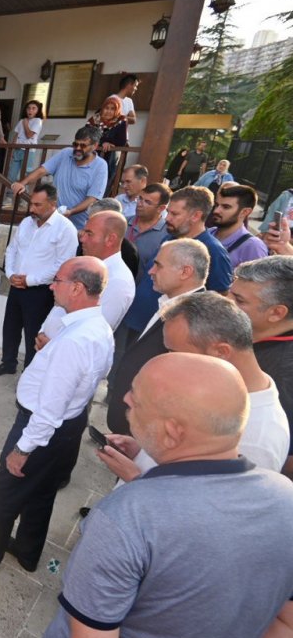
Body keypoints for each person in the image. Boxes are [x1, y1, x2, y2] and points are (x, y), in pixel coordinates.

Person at [39, 352, 293, 638]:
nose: (126, 399)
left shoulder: (125, 516)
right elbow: (286, 622)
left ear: (172, 431)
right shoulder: (285, 498)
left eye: (138, 396)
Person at [0, 257, 113, 574]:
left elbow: (50, 407)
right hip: (70, 425)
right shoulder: (98, 328)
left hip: (44, 426)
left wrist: (23, 449)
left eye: (57, 280)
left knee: (4, 489)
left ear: (76, 288)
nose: (51, 286)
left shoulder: (75, 340)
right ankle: (27, 549)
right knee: (42, 491)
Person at [102, 293, 289, 480]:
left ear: (220, 352)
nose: (168, 359)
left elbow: (211, 506)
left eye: (173, 351)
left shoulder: (260, 439)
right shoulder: (205, 385)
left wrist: (137, 479)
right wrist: (143, 452)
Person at [107, 239, 208, 435]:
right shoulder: (169, 302)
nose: (151, 271)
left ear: (185, 272)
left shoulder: (193, 320)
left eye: (158, 265)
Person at [0, 184, 78, 376]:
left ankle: (30, 374)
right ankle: (8, 363)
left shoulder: (65, 229)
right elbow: (12, 249)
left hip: (40, 291)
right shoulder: (27, 223)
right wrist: (10, 273)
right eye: (31, 204)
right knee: (10, 327)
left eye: (37, 205)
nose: (31, 209)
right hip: (16, 285)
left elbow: (63, 265)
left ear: (52, 204)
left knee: (33, 334)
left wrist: (31, 280)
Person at [120, 186, 232, 343]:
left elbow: (219, 299)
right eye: (169, 212)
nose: (167, 218)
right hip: (137, 323)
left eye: (174, 214)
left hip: (163, 335)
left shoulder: (213, 250)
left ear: (196, 216)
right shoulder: (170, 238)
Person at [231, 255, 293, 477]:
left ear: (276, 313)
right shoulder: (246, 338)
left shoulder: (285, 374)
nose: (226, 303)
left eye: (239, 300)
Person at [39, 210, 135, 341]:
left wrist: (52, 346)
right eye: (83, 232)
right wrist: (43, 331)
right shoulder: (86, 264)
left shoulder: (119, 281)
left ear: (110, 239)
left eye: (89, 234)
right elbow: (59, 306)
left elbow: (93, 333)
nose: (82, 238)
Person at [11, 126, 107, 230]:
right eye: (75, 144)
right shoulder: (66, 153)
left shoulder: (101, 166)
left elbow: (92, 199)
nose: (78, 148)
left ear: (95, 146)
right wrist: (22, 183)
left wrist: (71, 212)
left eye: (83, 145)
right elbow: (42, 171)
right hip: (52, 220)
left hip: (77, 227)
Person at [210, 183, 268, 266]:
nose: (216, 211)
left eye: (226, 207)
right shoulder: (208, 233)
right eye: (216, 205)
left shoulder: (253, 246)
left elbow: (260, 278)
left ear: (245, 212)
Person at [124, 183, 171, 271]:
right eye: (140, 198)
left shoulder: (168, 234)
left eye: (147, 202)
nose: (140, 204)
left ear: (161, 208)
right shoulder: (123, 223)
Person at [86, 96, 128, 190]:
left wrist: (109, 142)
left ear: (116, 110)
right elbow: (86, 136)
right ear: (102, 108)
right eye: (106, 108)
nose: (108, 111)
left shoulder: (120, 120)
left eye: (112, 109)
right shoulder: (94, 119)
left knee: (104, 183)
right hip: (92, 156)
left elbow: (122, 141)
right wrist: (103, 143)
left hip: (110, 158)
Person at [5, 99, 44, 197]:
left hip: (28, 151)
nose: (30, 110)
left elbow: (29, 135)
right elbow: (16, 135)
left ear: (37, 111)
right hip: (17, 150)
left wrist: (26, 123)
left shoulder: (37, 121)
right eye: (28, 108)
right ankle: (9, 196)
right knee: (12, 175)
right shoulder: (21, 121)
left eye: (33, 108)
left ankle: (24, 198)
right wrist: (12, 151)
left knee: (26, 175)